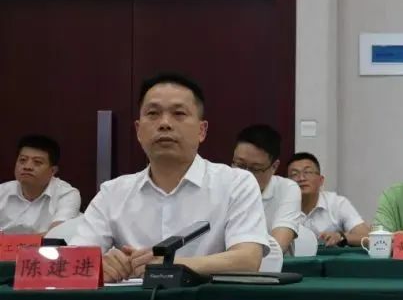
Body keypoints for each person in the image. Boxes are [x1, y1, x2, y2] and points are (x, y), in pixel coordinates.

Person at [71, 73, 267, 282]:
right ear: (138, 131)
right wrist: (97, 267)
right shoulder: (112, 193)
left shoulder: (236, 184)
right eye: (153, 114)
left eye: (179, 113)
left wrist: (169, 267)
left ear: (202, 130)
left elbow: (247, 260)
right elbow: (69, 262)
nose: (165, 123)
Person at [233, 124, 302, 255]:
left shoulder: (287, 189)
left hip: (272, 266)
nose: (245, 175)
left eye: (255, 169)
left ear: (274, 166)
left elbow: (278, 245)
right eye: (240, 165)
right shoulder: (223, 184)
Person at [0, 135, 80, 234]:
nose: (27, 167)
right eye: (23, 160)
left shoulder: (67, 195)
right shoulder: (2, 191)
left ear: (53, 171)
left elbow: (57, 235)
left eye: (37, 162)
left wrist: (10, 240)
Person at [286, 152, 370, 246]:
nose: (301, 178)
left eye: (308, 172)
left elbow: (367, 237)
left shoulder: (337, 203)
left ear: (321, 180)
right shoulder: (281, 206)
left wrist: (341, 237)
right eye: (294, 174)